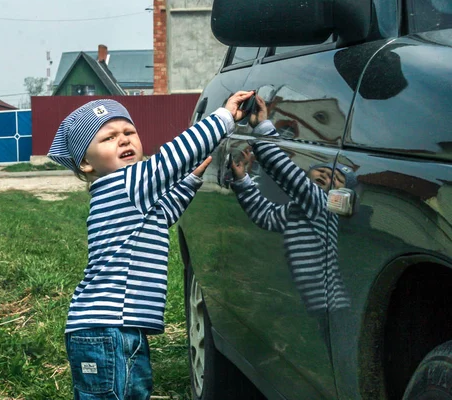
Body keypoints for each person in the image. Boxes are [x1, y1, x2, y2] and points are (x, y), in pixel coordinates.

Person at [48, 92, 254, 399]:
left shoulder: (116, 193)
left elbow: (161, 215)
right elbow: (176, 154)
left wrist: (191, 182)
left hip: (105, 329)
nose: (124, 140)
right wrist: (223, 117)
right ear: (86, 163)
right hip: (111, 329)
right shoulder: (129, 181)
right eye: (108, 137)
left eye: (129, 132)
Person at [230, 95, 355, 339]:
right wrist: (243, 180)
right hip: (317, 303)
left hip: (334, 303)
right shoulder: (298, 210)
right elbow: (265, 215)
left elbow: (285, 172)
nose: (327, 177)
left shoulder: (321, 205)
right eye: (323, 170)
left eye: (336, 180)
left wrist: (263, 129)